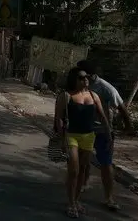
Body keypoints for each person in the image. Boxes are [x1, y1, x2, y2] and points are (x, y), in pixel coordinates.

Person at [55, 67, 112, 218]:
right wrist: (62, 139)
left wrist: (109, 137)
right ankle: (71, 203)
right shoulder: (65, 96)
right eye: (81, 77)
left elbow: (103, 117)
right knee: (74, 170)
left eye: (86, 77)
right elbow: (59, 119)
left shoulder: (93, 96)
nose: (85, 79)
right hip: (71, 135)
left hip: (88, 136)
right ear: (74, 79)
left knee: (83, 169)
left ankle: (76, 200)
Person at [77, 59, 133, 211]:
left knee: (106, 164)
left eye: (81, 74)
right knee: (83, 161)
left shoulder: (106, 88)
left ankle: (109, 197)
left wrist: (128, 127)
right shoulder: (79, 84)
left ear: (90, 75)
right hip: (85, 130)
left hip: (103, 132)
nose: (79, 77)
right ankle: (83, 184)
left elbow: (121, 108)